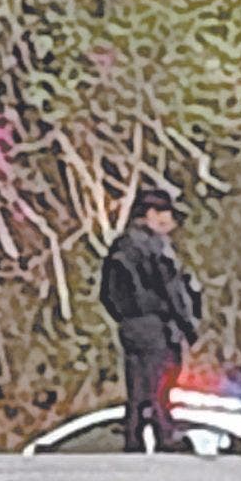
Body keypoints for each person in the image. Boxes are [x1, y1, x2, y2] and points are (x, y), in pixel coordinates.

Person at [99, 187, 202, 454]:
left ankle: (134, 436)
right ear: (151, 213)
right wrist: (188, 325)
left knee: (137, 385)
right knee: (161, 381)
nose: (171, 222)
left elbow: (106, 293)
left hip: (130, 325)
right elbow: (172, 290)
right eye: (167, 214)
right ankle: (165, 434)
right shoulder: (155, 247)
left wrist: (124, 316)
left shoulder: (120, 246)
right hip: (156, 323)